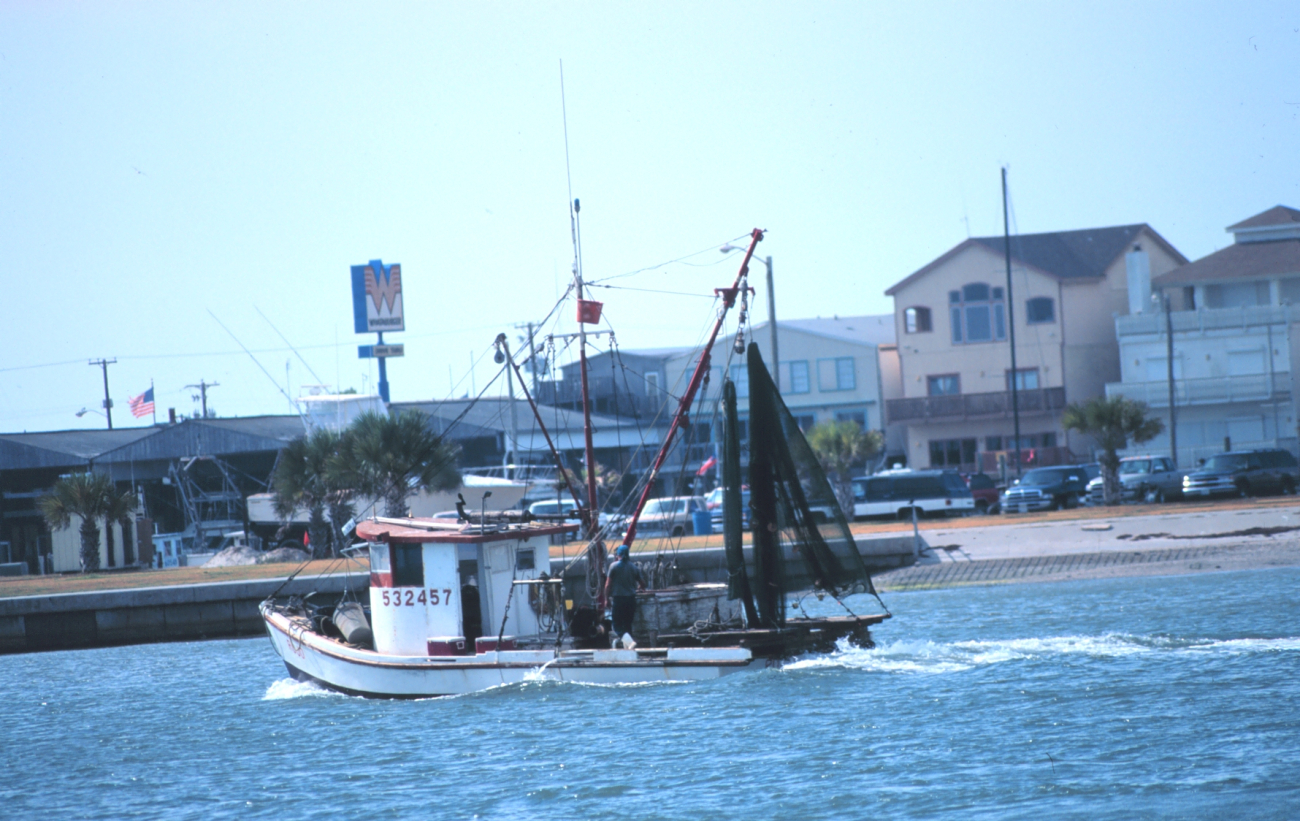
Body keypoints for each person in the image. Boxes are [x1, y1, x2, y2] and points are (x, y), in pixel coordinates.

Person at [604, 544, 645, 644]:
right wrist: (639, 587)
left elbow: (608, 585)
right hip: (631, 600)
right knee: (627, 625)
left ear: (618, 555)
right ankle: (629, 650)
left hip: (619, 599)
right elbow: (643, 583)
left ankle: (630, 643)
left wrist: (606, 599)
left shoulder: (613, 566)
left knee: (617, 625)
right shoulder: (634, 567)